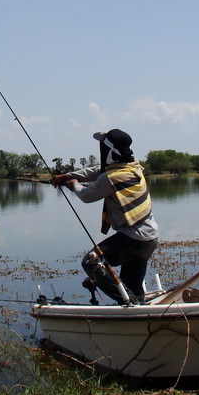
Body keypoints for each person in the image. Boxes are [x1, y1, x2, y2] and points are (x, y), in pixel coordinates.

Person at [51, 129, 158, 304]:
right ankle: (137, 311)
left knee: (91, 262)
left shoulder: (111, 177)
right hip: (149, 237)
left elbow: (87, 195)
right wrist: (68, 175)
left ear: (108, 151)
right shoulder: (133, 166)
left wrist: (74, 185)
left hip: (133, 238)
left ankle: (129, 303)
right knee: (131, 282)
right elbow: (97, 170)